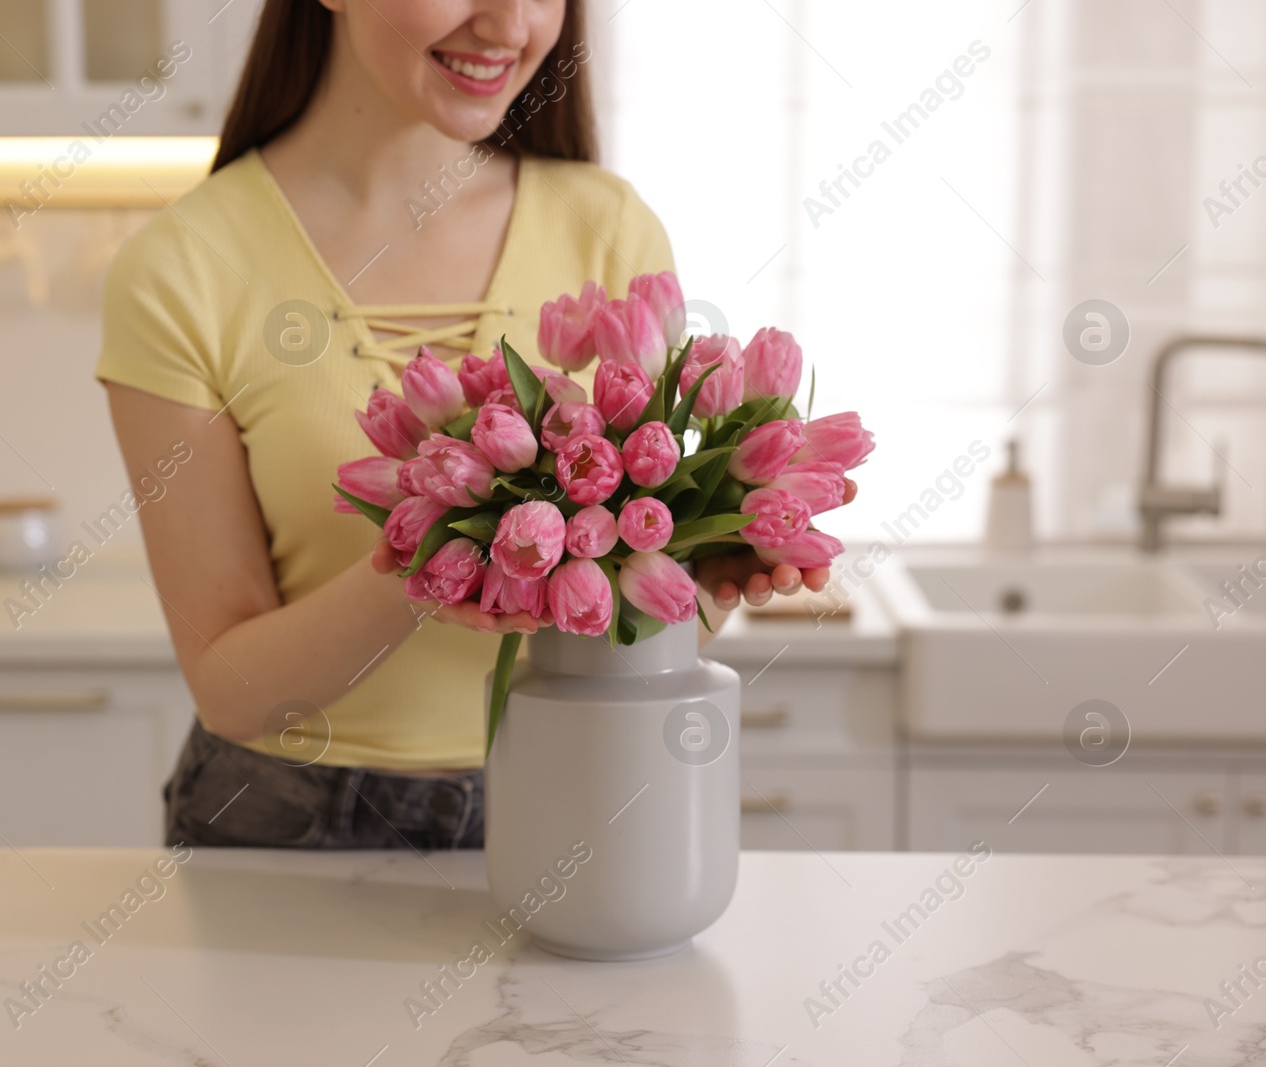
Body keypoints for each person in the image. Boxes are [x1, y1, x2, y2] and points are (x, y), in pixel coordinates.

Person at [97, 0, 847, 851]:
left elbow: (630, 616)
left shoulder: (605, 226)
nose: (510, 23)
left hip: (569, 792)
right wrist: (433, 562)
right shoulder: (180, 268)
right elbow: (229, 689)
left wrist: (712, 555)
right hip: (283, 820)